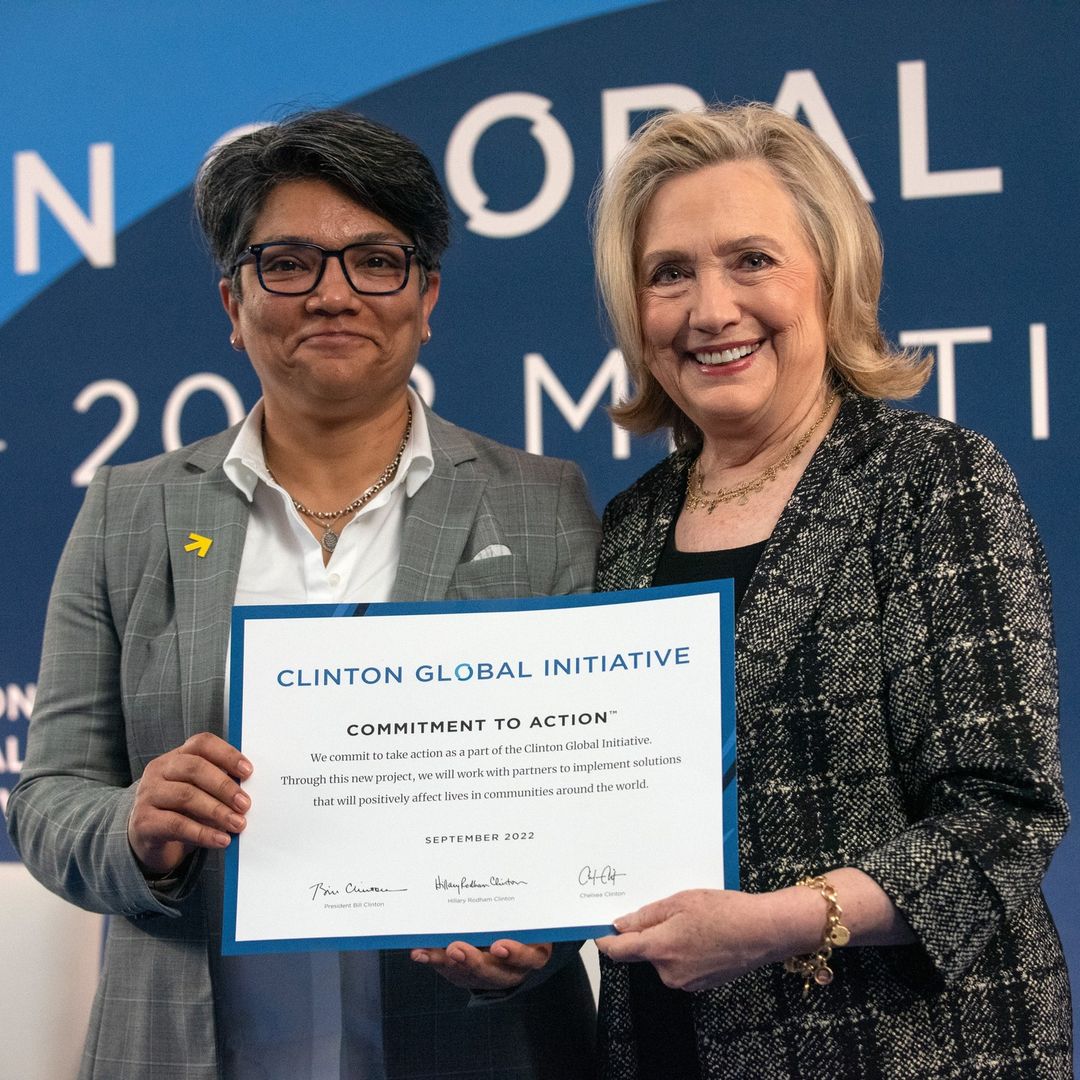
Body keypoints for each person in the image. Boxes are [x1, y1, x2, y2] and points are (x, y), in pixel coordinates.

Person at [7, 108, 599, 1080]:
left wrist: (541, 930)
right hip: (184, 1051)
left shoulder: (543, 506)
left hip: (473, 1048)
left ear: (427, 295)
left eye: (375, 261)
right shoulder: (129, 511)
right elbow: (47, 802)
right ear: (234, 303)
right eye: (287, 264)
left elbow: (590, 794)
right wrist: (136, 829)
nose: (332, 293)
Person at [589, 103, 1072, 1078]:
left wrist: (784, 921)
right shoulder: (628, 525)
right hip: (670, 1049)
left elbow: (1005, 816)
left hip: (906, 1050)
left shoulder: (932, 482)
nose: (710, 309)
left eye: (751, 260)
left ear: (831, 273)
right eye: (669, 273)